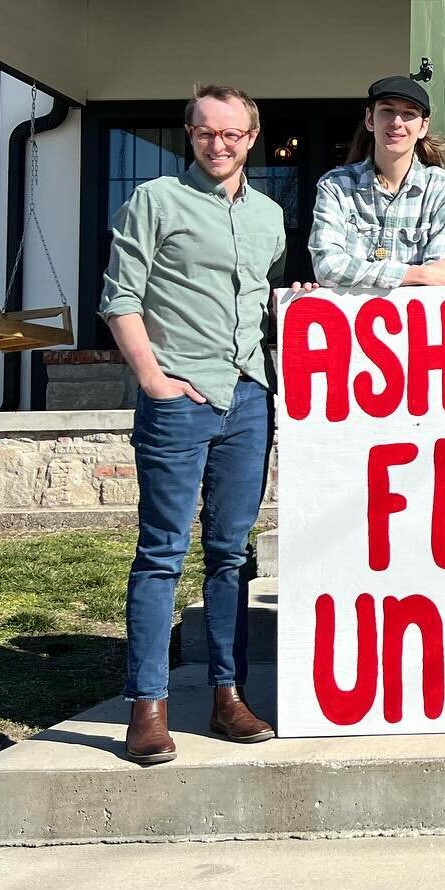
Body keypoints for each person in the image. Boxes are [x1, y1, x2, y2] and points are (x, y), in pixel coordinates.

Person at [99, 85, 286, 765]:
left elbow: (268, 308)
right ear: (190, 133)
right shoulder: (154, 200)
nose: (219, 144)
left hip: (249, 400)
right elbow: (119, 296)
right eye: (207, 133)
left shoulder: (270, 216)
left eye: (232, 134)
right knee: (161, 553)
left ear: (252, 138)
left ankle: (227, 696)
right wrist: (152, 378)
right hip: (179, 396)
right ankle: (147, 708)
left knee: (232, 554)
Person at [308, 74, 445, 289]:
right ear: (370, 119)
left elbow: (441, 278)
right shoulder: (335, 185)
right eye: (387, 111)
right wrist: (416, 273)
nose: (397, 123)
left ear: (423, 127)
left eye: (409, 113)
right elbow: (327, 268)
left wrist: (358, 274)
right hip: (354, 321)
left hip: (416, 321)